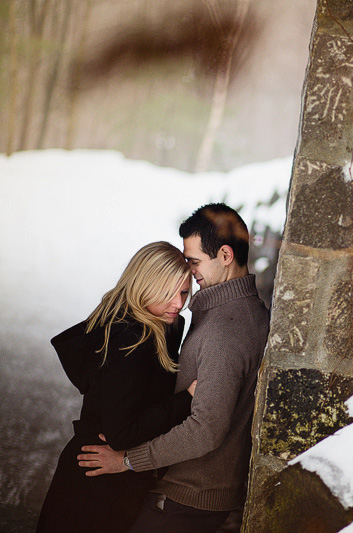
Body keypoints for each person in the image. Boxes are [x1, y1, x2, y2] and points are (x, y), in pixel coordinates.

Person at [78, 203, 270, 533]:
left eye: (194, 261)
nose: (189, 269)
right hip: (191, 493)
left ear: (225, 255)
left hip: (187, 496)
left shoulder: (224, 329)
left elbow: (205, 428)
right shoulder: (238, 312)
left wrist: (126, 460)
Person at [36, 241, 196, 533]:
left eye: (184, 292)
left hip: (104, 480)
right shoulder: (130, 340)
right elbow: (121, 434)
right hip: (95, 485)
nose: (178, 303)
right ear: (142, 286)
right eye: (167, 293)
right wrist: (186, 400)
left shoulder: (155, 325)